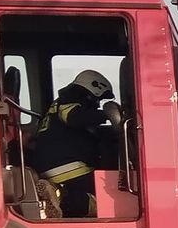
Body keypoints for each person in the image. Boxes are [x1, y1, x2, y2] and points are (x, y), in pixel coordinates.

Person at [26, 70, 119, 218]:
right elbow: (73, 117)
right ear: (93, 89)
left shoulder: (57, 106)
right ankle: (61, 198)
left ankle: (57, 193)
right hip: (69, 166)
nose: (97, 104)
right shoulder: (70, 97)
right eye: (98, 100)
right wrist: (106, 115)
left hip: (56, 165)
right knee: (109, 197)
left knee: (89, 196)